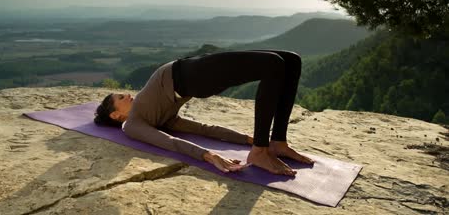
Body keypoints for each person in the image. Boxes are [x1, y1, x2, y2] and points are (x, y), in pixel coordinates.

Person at [94, 50, 314, 176]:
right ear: (115, 115)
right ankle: (259, 151)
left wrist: (245, 138)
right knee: (274, 64)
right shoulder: (132, 125)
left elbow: (205, 129)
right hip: (192, 75)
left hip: (193, 70)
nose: (126, 95)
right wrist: (208, 155)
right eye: (120, 98)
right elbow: (169, 142)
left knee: (292, 61)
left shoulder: (161, 117)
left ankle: (277, 142)